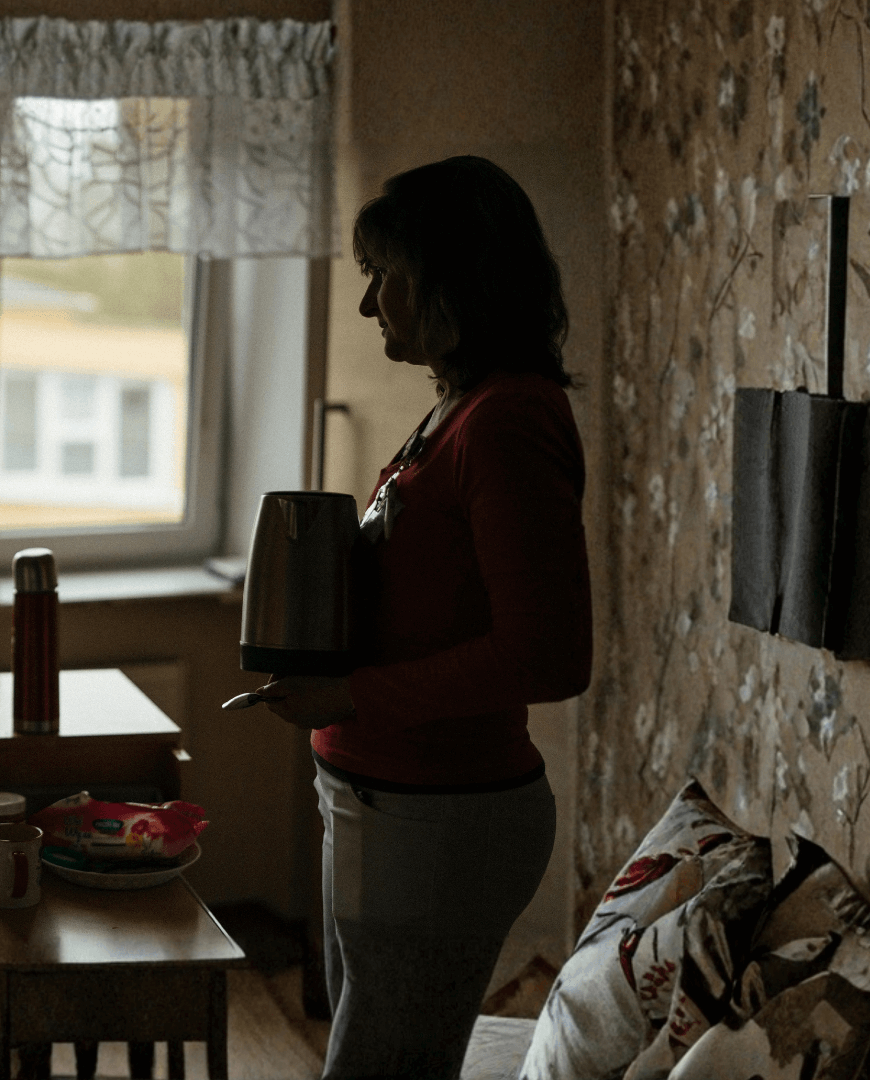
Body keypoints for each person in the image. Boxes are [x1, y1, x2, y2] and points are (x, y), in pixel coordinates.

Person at [254, 155, 592, 1079]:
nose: (369, 305)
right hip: (388, 807)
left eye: (384, 276)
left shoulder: (508, 423)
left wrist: (353, 694)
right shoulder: (456, 411)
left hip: (439, 823)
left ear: (453, 278)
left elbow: (547, 655)